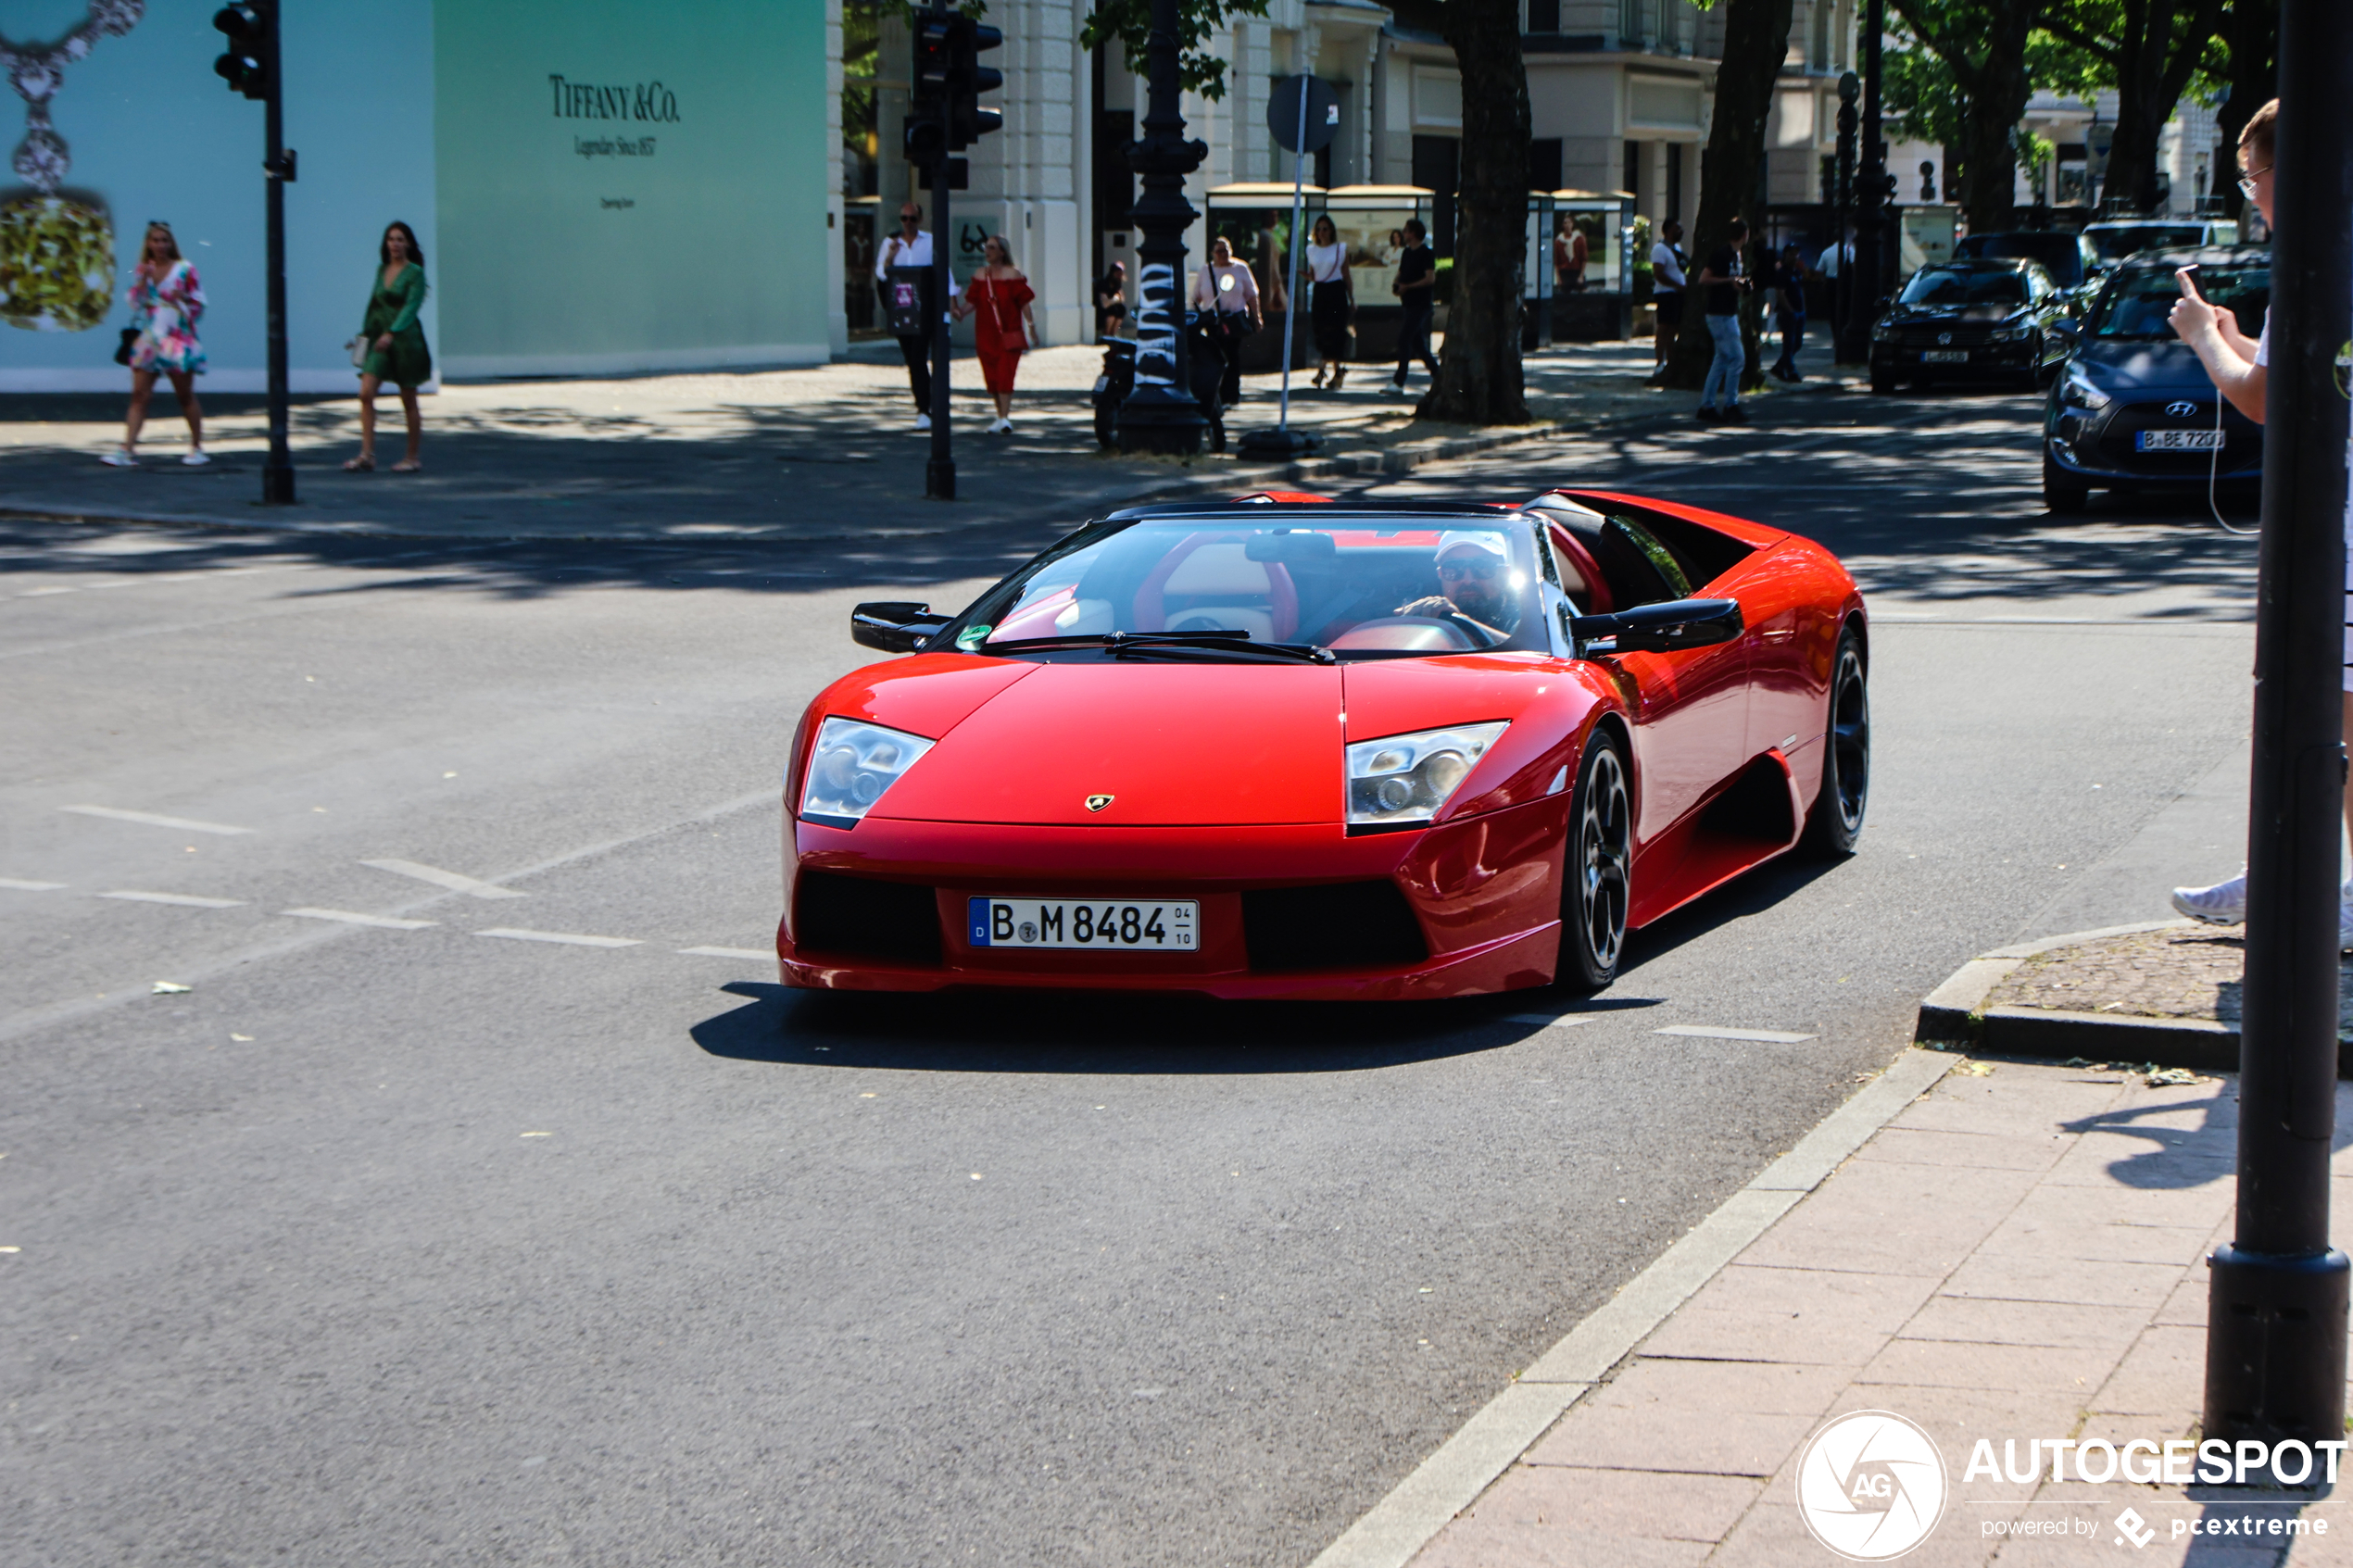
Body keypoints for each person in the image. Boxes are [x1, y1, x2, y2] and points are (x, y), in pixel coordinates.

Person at [2164, 98, 2353, 946]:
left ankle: (2309, 880)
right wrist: (2241, 346)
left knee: (2329, 707)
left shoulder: (2321, 266)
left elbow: (2262, 399)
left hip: (2339, 525)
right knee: (2318, 704)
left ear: (2288, 174)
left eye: (2254, 177)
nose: (2252, 196)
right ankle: (2288, 864)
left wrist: (2207, 338)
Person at [104, 221, 206, 467]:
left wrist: (185, 299)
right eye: (155, 240)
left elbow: (199, 304)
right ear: (148, 244)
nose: (160, 245)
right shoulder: (143, 269)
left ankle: (197, 446)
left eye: (164, 240)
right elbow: (134, 302)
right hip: (150, 338)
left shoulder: (185, 269)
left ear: (171, 243)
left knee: (184, 394)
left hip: (177, 336)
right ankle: (127, 449)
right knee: (139, 395)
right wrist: (142, 281)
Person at [346, 220, 431, 473]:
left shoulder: (415, 272)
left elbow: (411, 306)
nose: (395, 244)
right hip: (379, 340)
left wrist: (393, 333)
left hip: (405, 341)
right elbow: (374, 306)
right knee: (366, 393)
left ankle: (412, 457)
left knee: (408, 398)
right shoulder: (381, 269)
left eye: (400, 239)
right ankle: (367, 455)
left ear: (408, 244)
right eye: (391, 239)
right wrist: (363, 338)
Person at [951, 233, 1038, 434]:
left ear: (1002, 251)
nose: (987, 251)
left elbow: (1024, 302)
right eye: (986, 247)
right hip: (985, 333)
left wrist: (1031, 325)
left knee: (1005, 374)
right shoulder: (981, 275)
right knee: (992, 376)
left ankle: (1005, 417)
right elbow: (973, 300)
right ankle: (999, 416)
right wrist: (960, 312)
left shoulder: (1013, 275)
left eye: (991, 247)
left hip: (1009, 333)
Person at [1393, 533, 1520, 644]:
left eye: (1482, 567)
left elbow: (1532, 657)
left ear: (1505, 573)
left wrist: (1460, 623)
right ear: (1440, 575)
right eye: (1453, 568)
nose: (1468, 580)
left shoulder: (1530, 615)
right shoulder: (1422, 620)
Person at [875, 203, 935, 433]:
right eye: (904, 218)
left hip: (924, 307)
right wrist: (891, 257)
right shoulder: (890, 243)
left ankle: (924, 408)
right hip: (901, 308)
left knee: (919, 356)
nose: (907, 223)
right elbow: (881, 274)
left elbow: (941, 271)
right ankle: (924, 403)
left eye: (912, 218)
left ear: (919, 220)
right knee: (912, 359)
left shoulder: (929, 241)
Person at [1694, 215, 1754, 424]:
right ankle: (1730, 404)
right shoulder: (1722, 254)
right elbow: (1704, 278)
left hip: (1728, 312)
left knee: (1721, 360)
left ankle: (1707, 405)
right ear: (1744, 235)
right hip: (1719, 314)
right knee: (1737, 358)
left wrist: (1743, 285)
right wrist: (1730, 281)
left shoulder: (1737, 255)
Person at [1190, 234, 1261, 407]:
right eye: (1219, 251)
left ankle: (1231, 395)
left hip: (1234, 320)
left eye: (1226, 250)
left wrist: (1257, 317)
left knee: (1232, 357)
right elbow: (1195, 298)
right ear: (1213, 254)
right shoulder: (1206, 271)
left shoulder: (1241, 268)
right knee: (1215, 357)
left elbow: (1252, 295)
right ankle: (1215, 395)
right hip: (1213, 323)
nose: (1223, 254)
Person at [1385, 218, 1440, 397]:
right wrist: (1397, 283)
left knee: (1404, 339)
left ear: (1414, 233)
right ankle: (1439, 376)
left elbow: (1430, 278)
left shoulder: (1426, 253)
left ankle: (1399, 381)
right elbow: (1402, 272)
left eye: (1407, 230)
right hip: (1408, 303)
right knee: (1419, 345)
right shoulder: (1407, 253)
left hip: (1420, 304)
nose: (1404, 233)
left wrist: (1409, 287)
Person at [1303, 215, 1353, 391]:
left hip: (1336, 291)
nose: (1322, 232)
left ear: (1331, 230)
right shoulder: (1311, 250)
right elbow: (1313, 274)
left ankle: (1322, 370)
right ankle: (1337, 371)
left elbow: (1346, 273)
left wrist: (1351, 298)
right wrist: (1307, 277)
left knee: (1334, 330)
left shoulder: (1340, 249)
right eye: (1319, 229)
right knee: (1321, 329)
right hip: (1320, 291)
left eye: (1325, 228)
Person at [1648, 218, 1687, 374]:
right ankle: (1659, 362)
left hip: (1678, 294)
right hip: (1665, 294)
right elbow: (1659, 273)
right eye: (1677, 228)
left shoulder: (1677, 248)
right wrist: (1676, 285)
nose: (1680, 231)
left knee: (1674, 328)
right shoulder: (1659, 249)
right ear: (1669, 229)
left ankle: (1671, 362)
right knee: (1664, 327)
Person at [1769, 241, 1807, 383]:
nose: (1795, 257)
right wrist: (1790, 310)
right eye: (1792, 254)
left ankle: (1779, 367)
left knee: (1797, 343)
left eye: (1796, 254)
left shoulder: (1797, 273)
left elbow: (1801, 291)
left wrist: (1803, 309)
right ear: (1786, 255)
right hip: (1788, 313)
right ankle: (1791, 370)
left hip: (1800, 311)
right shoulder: (1782, 273)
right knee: (1789, 343)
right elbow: (1780, 293)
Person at [1095, 259, 1129, 339]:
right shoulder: (1104, 284)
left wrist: (1115, 299)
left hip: (1112, 306)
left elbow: (1122, 298)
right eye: (1117, 272)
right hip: (1102, 310)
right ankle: (1107, 334)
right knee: (1113, 310)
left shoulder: (1117, 284)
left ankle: (1113, 334)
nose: (1119, 275)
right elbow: (1105, 304)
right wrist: (1116, 298)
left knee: (1121, 309)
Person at [1554, 219, 1588, 294]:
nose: (1567, 225)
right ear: (1563, 225)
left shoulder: (1579, 239)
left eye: (1569, 223)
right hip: (1565, 272)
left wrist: (1581, 275)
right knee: (1565, 294)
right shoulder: (1558, 241)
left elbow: (1584, 259)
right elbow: (1557, 261)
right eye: (1565, 223)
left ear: (1572, 224)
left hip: (1576, 271)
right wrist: (1558, 278)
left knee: (1582, 291)